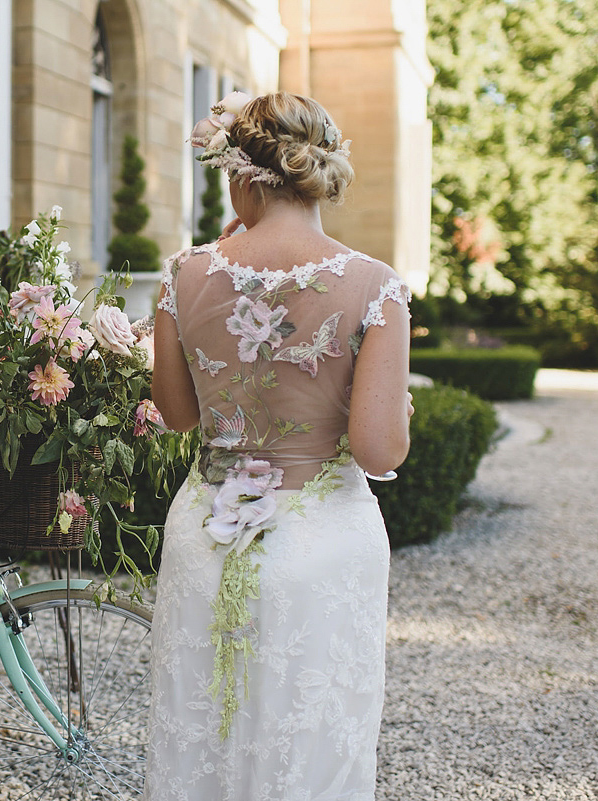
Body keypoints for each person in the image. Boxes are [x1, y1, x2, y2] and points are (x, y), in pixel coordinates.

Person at [146, 90, 413, 800]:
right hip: (323, 539)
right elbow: (379, 449)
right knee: (310, 735)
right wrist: (397, 407)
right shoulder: (376, 287)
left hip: (209, 529)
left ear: (239, 176)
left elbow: (175, 415)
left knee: (206, 728)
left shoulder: (182, 275)